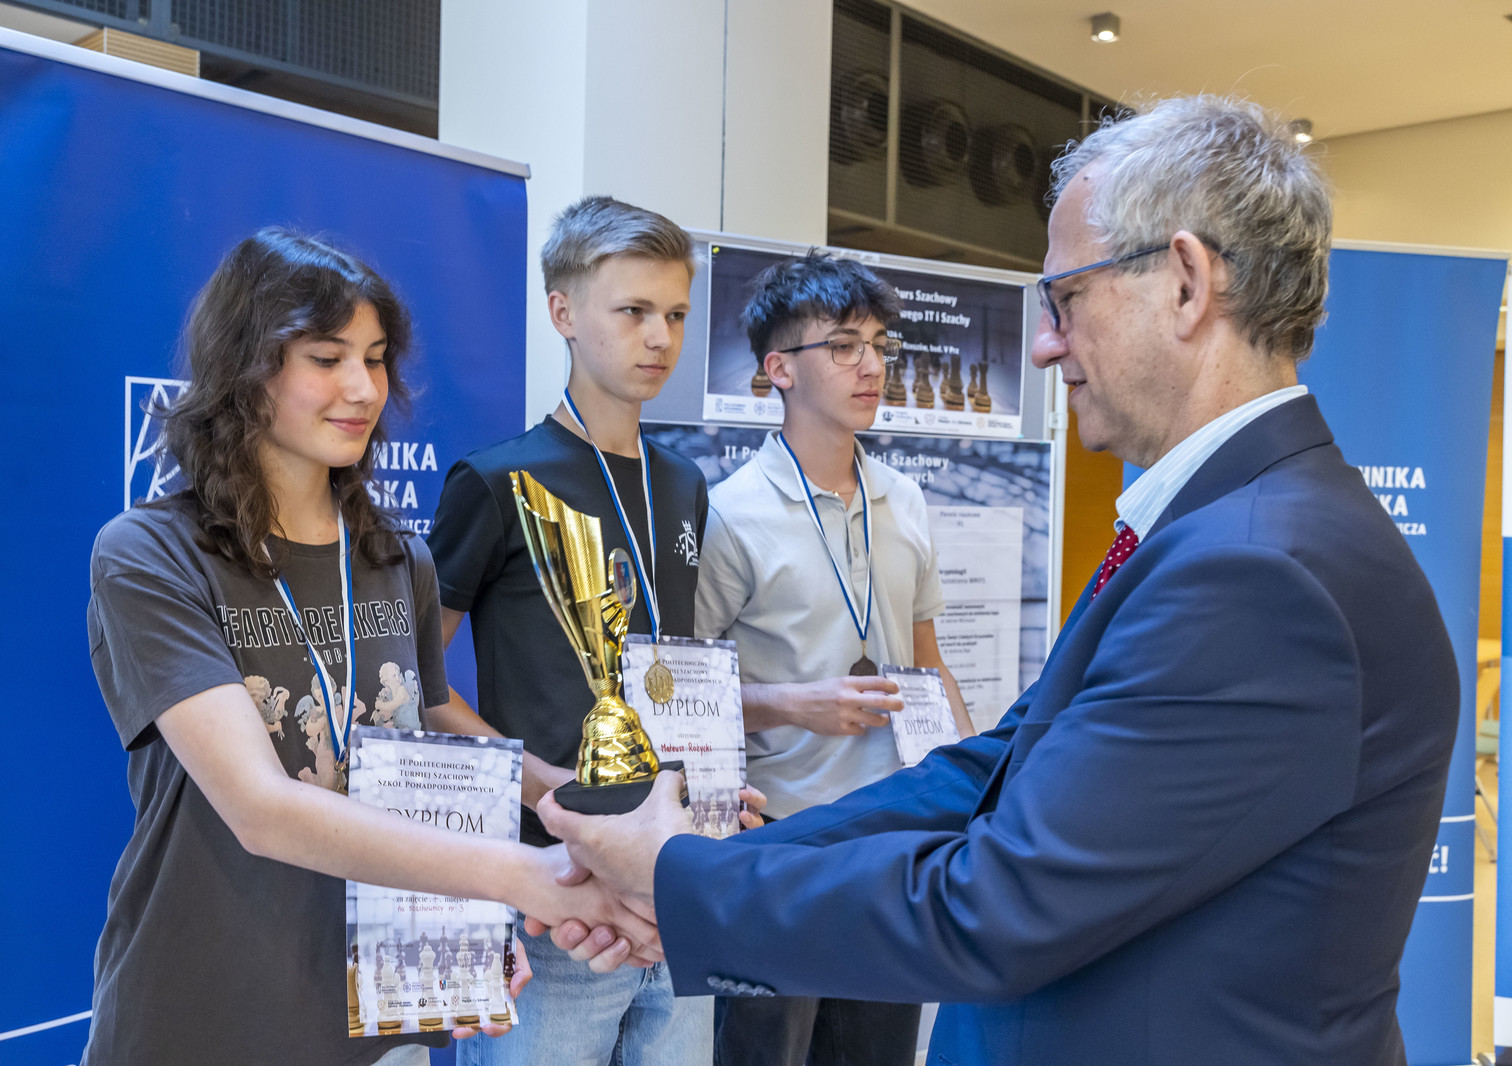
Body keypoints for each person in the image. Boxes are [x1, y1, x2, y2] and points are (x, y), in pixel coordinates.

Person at [539, 96, 1460, 1065]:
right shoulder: (1232, 529)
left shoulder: (1258, 571)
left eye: (1065, 300)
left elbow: (996, 904)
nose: (1044, 344)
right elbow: (1000, 766)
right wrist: (699, 866)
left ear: (1186, 284)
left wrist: (679, 882)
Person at [84, 228, 654, 1066]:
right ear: (244, 368)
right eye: (326, 357)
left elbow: (428, 719)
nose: (362, 388)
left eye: (376, 359)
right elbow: (260, 807)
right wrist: (520, 875)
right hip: (207, 1009)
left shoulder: (396, 558)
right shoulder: (151, 554)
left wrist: (586, 812)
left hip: (379, 1013)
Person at [425, 195, 760, 1066]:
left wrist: (712, 782)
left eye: (676, 315)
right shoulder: (496, 482)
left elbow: (675, 675)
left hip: (674, 882)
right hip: (555, 891)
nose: (660, 338)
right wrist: (549, 789)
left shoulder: (683, 483)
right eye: (634, 311)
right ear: (564, 313)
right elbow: (415, 685)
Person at [687, 250, 974, 1066]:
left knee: (880, 1051)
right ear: (779, 368)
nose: (872, 366)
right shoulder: (730, 513)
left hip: (897, 836)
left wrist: (972, 782)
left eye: (880, 345)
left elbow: (928, 659)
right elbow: (684, 698)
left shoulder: (904, 498)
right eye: (844, 346)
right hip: (783, 837)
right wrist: (794, 703)